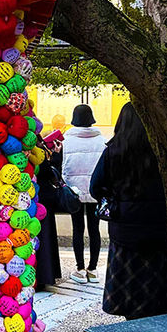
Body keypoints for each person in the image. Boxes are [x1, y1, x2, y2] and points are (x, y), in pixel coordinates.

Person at [90, 102, 167, 319]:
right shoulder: (162, 150)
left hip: (125, 228)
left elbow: (95, 187)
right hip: (159, 225)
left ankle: (132, 330)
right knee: (159, 287)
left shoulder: (114, 151)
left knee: (130, 287)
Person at [62, 104, 106, 283]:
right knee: (94, 230)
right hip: (95, 191)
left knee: (77, 229)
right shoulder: (101, 140)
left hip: (74, 192)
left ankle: (80, 269)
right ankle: (93, 270)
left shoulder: (67, 141)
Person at [35, 133, 63, 290]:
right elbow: (48, 172)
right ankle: (44, 276)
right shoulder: (37, 151)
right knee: (45, 238)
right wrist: (56, 157)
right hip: (44, 202)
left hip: (35, 201)